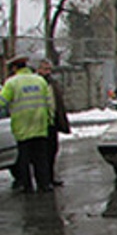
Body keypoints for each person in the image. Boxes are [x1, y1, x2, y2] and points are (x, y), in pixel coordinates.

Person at [1, 55, 54, 193]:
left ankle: (27, 185)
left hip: (22, 126)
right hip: (40, 125)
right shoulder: (40, 81)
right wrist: (49, 120)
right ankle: (44, 184)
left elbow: (2, 102)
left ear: (14, 68)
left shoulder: (11, 83)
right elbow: (49, 103)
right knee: (41, 157)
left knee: (24, 158)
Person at [37, 58, 71, 186]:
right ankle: (44, 179)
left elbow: (58, 103)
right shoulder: (38, 83)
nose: (48, 71)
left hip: (53, 122)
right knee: (42, 153)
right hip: (40, 123)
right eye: (45, 69)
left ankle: (51, 177)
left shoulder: (53, 83)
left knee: (52, 150)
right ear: (39, 70)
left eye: (49, 69)